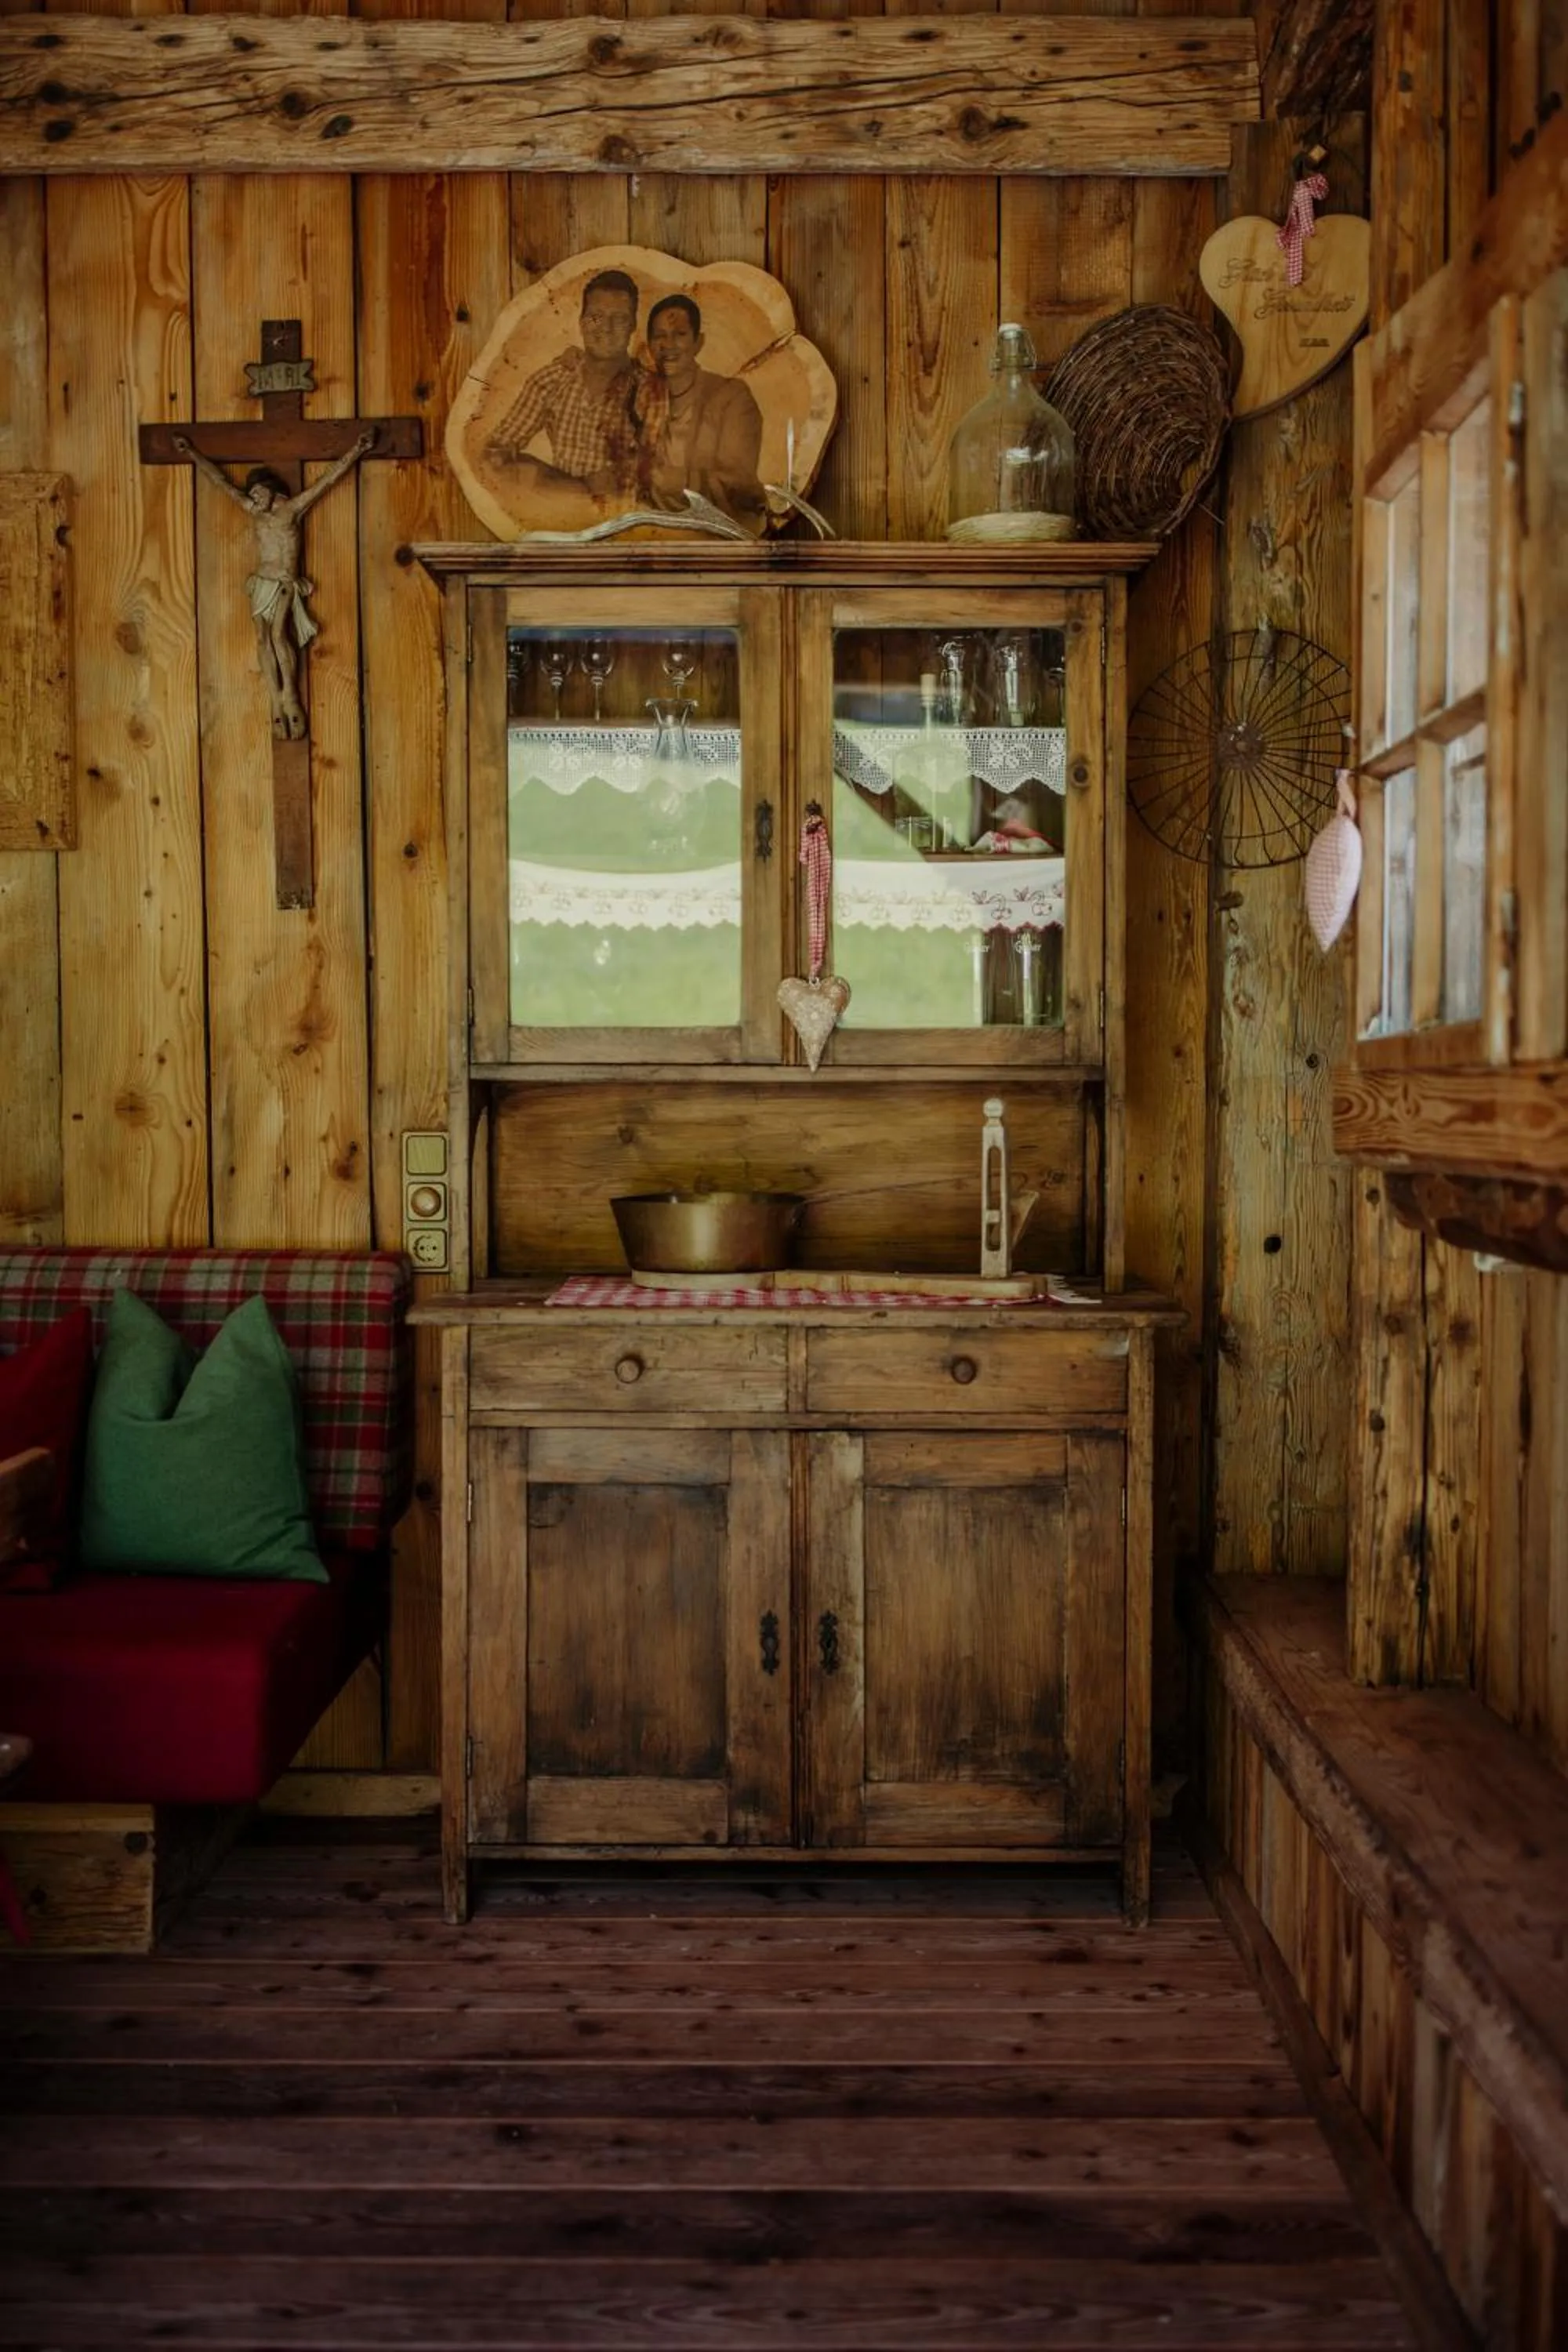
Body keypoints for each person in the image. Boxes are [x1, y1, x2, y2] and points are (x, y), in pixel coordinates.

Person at [174, 429, 376, 741]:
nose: (254, 499)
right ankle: (274, 701)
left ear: (270, 491)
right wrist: (191, 453)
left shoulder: (291, 509)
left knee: (281, 634)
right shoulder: (254, 511)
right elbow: (220, 483)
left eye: (258, 493)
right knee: (261, 639)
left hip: (284, 582)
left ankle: (289, 696)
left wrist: (357, 449)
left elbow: (328, 481)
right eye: (252, 495)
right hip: (262, 583)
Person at [483, 269, 643, 504]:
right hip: (563, 523)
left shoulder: (651, 390)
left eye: (619, 319)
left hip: (629, 529)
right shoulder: (552, 380)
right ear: (581, 323)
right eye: (596, 317)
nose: (606, 328)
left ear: (632, 326)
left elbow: (669, 473)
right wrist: (566, 485)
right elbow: (493, 455)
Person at [634, 294, 767, 533]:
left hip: (717, 540)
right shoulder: (643, 398)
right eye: (659, 336)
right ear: (650, 346)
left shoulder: (731, 398)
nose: (668, 345)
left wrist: (682, 482)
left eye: (680, 334)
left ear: (699, 342)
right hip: (649, 537)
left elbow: (745, 488)